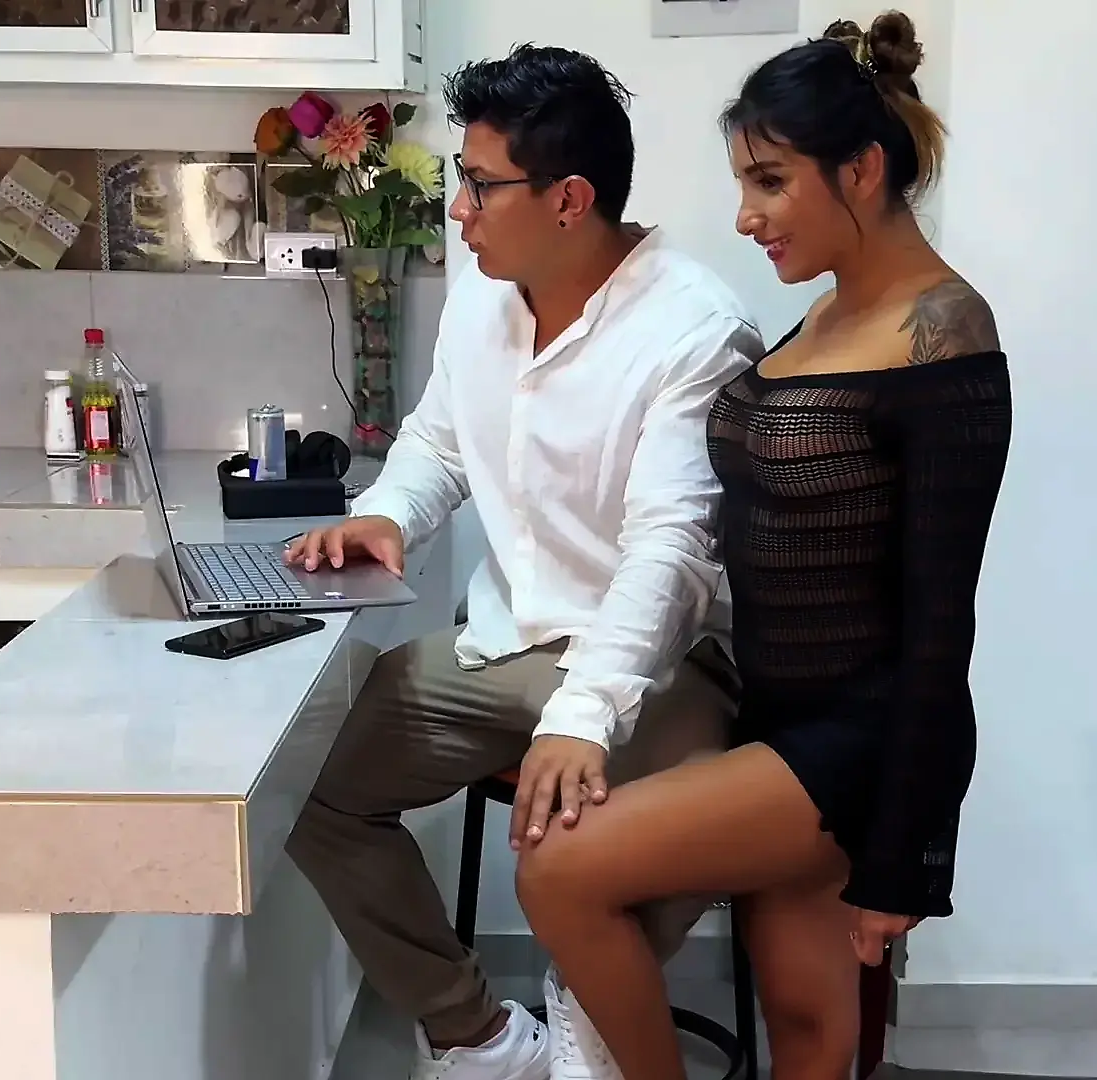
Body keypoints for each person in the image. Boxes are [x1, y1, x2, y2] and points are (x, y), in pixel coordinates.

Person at [514, 13, 1014, 1080]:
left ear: (862, 170)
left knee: (558, 869)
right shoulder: (825, 318)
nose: (745, 217)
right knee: (807, 1032)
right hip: (774, 713)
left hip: (856, 742)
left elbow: (941, 624)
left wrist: (906, 858)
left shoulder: (945, 335)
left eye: (771, 182)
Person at [282, 44, 759, 1080]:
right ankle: (479, 1037)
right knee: (311, 788)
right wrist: (388, 514)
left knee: (684, 826)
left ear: (569, 200)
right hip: (509, 638)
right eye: (461, 180)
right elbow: (441, 440)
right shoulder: (484, 292)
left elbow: (670, 551)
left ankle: (590, 993)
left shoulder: (695, 332)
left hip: (662, 655)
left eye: (481, 185)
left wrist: (582, 717)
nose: (459, 210)